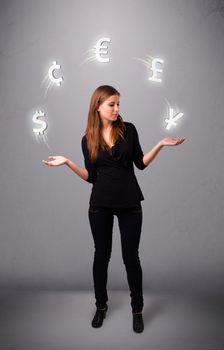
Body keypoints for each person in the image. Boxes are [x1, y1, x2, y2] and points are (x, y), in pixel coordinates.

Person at [42, 85, 185, 333]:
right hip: (100, 204)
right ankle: (101, 306)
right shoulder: (87, 138)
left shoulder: (129, 130)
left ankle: (137, 310)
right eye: (112, 104)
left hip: (130, 202)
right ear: (98, 106)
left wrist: (161, 144)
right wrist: (67, 162)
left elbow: (140, 164)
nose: (117, 109)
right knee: (101, 256)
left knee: (131, 258)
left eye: (119, 104)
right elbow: (90, 177)